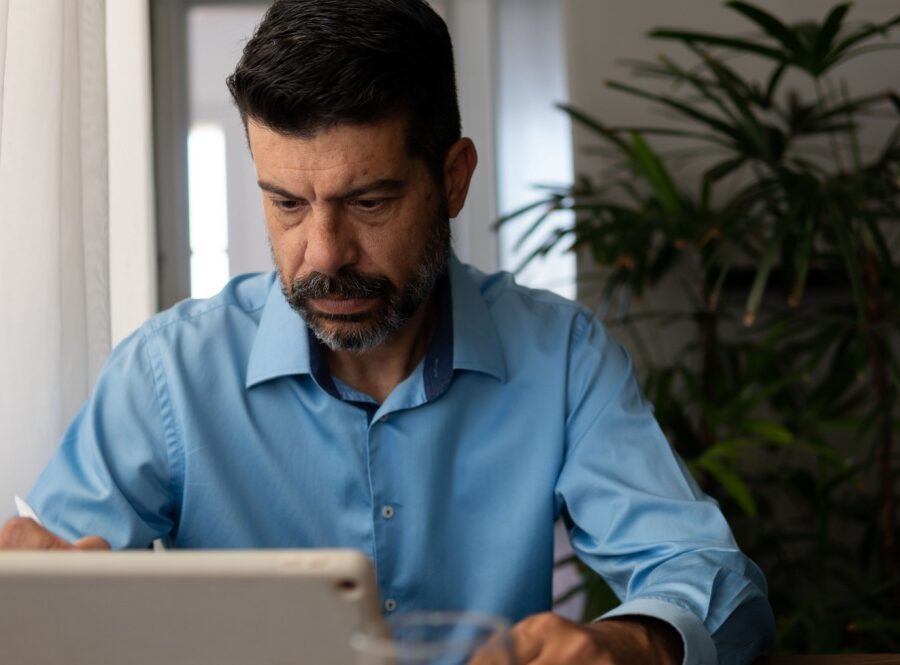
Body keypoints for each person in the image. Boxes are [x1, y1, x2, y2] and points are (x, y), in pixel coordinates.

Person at [0, 0, 776, 662]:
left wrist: (631, 644)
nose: (324, 255)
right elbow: (49, 594)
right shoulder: (166, 374)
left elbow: (711, 576)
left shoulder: (561, 356)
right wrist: (37, 607)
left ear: (453, 178)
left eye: (368, 202)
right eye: (287, 205)